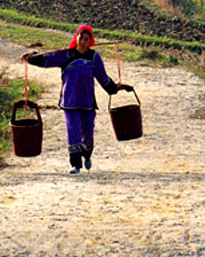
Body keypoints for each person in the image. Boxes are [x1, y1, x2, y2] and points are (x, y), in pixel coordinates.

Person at [22, 24, 132, 174]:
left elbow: (103, 78)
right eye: (81, 37)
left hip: (87, 102)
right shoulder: (65, 54)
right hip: (70, 100)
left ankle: (87, 155)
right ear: (76, 38)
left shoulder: (94, 57)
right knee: (72, 130)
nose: (83, 41)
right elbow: (47, 60)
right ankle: (76, 164)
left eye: (87, 39)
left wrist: (117, 88)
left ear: (90, 41)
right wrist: (31, 57)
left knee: (87, 133)